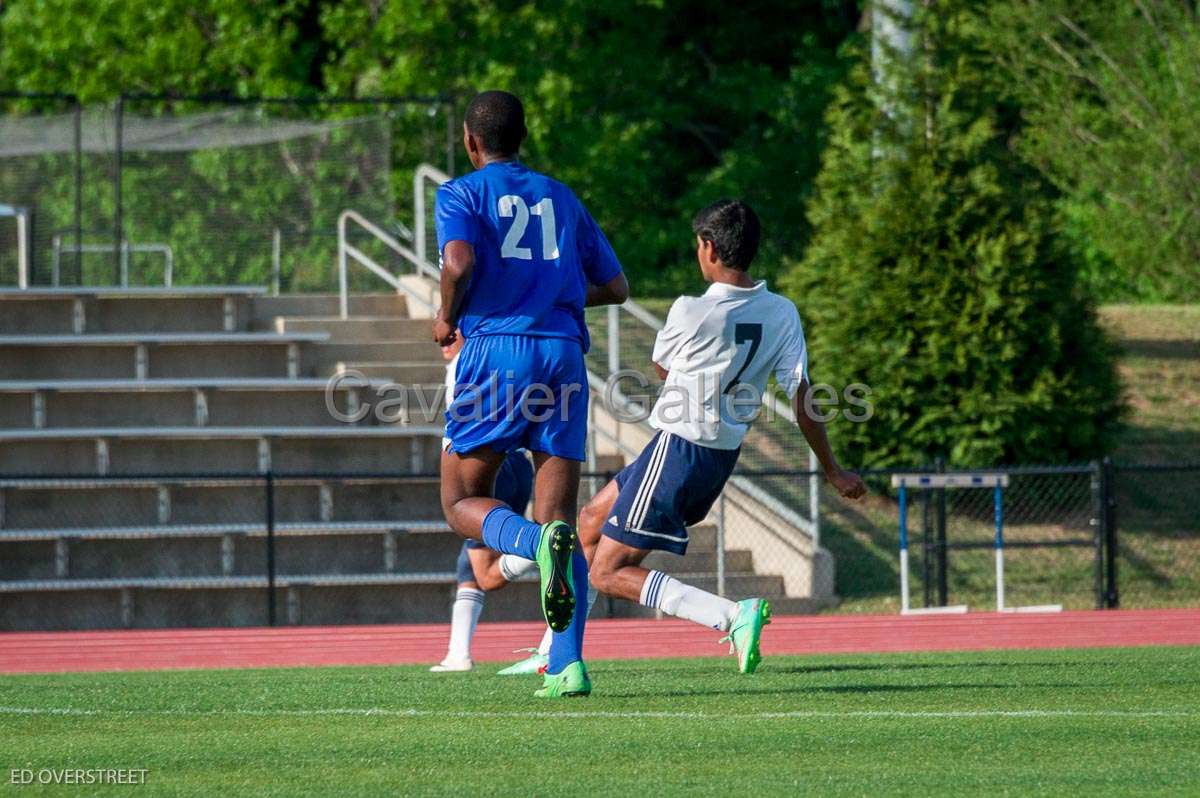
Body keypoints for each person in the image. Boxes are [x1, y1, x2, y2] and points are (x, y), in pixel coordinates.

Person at [578, 199, 867, 674]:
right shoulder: (782, 312)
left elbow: (662, 366)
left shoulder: (690, 309)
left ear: (709, 248)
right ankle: (557, 653)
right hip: (717, 456)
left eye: (698, 244)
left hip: (678, 447)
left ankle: (730, 615)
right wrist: (832, 469)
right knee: (590, 521)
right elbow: (803, 398)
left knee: (606, 571)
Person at [434, 90, 629, 697]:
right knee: (561, 517)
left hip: (499, 352)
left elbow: (459, 263)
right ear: (523, 136)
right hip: (564, 354)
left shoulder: (462, 192)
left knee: (461, 500)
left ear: (471, 140)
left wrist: (446, 318)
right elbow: (616, 285)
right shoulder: (561, 196)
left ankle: (532, 545)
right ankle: (567, 665)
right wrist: (553, 297)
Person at [431, 332, 546, 673]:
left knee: (485, 574)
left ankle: (544, 547)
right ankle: (458, 653)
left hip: (485, 464)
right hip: (517, 463)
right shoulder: (505, 358)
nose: (444, 340)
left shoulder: (466, 364)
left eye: (454, 332)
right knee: (469, 566)